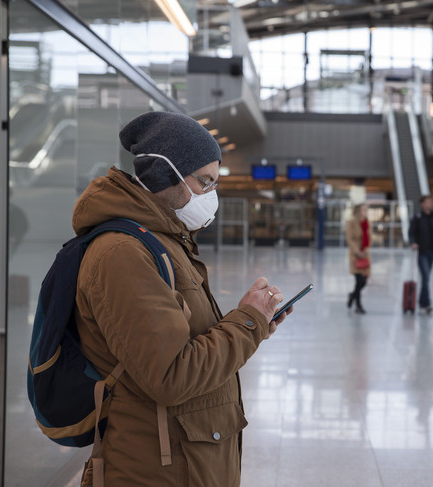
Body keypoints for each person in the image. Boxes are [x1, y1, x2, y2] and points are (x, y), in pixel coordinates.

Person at [72, 111, 292, 486]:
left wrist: (251, 322)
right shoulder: (123, 253)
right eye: (205, 181)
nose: (211, 195)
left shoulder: (164, 241)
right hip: (156, 470)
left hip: (184, 460)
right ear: (163, 173)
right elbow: (171, 375)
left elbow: (181, 339)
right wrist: (247, 323)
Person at [408, 195, 433, 314]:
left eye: (431, 202)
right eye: (427, 202)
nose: (430, 204)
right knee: (425, 277)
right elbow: (411, 232)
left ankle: (422, 302)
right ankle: (426, 303)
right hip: (422, 251)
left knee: (426, 278)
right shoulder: (417, 217)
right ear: (422, 204)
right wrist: (413, 243)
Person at [345, 203, 371, 314]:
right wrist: (357, 252)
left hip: (365, 254)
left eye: (366, 209)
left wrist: (365, 250)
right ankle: (358, 305)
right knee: (359, 279)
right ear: (357, 211)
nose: (365, 212)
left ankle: (352, 295)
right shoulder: (351, 222)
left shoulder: (367, 222)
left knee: (364, 281)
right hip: (355, 255)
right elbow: (350, 239)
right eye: (363, 209)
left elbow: (370, 237)